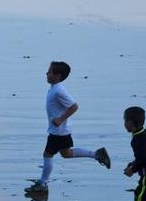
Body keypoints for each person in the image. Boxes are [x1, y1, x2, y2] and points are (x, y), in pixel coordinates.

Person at [25, 61, 111, 193]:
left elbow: (74, 106)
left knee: (47, 154)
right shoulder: (54, 88)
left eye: (49, 71)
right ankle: (97, 154)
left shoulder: (59, 91)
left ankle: (42, 184)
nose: (46, 73)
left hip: (58, 131)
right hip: (61, 130)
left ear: (57, 75)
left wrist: (60, 119)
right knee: (66, 153)